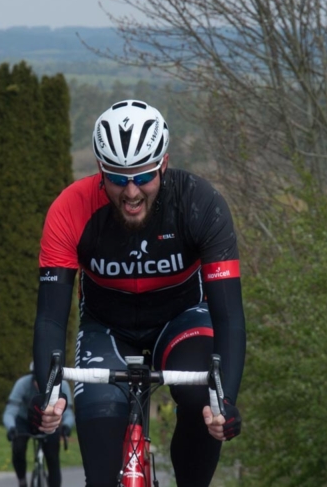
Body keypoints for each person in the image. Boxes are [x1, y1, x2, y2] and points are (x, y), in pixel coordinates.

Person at [30, 100, 246, 487]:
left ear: (163, 164)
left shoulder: (200, 204)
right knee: (100, 467)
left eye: (143, 175)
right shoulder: (70, 209)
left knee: (203, 402)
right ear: (101, 169)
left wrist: (225, 400)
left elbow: (229, 317)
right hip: (106, 327)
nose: (131, 192)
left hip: (181, 319)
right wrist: (47, 396)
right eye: (117, 178)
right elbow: (50, 317)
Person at [3, 363, 74, 487]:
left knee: (52, 457)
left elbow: (68, 411)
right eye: (37, 380)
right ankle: (22, 481)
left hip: (49, 422)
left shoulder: (63, 385)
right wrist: (11, 427)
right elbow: (11, 410)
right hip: (25, 421)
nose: (40, 384)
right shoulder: (22, 384)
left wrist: (67, 426)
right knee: (18, 448)